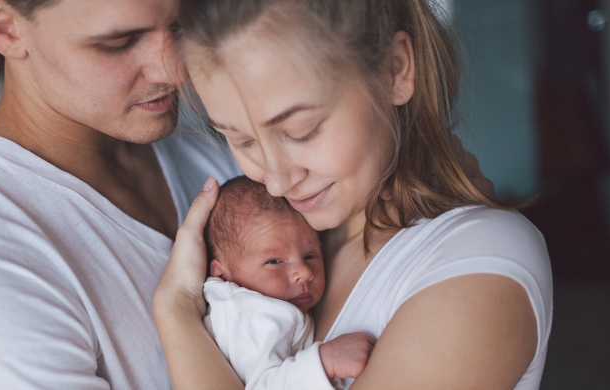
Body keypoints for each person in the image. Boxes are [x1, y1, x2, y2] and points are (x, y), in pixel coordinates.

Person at [153, 0, 553, 390]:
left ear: (395, 69)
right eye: (240, 140)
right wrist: (175, 304)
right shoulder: (284, 249)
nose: (276, 182)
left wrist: (176, 316)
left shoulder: (477, 261)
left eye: (301, 130)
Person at [0, 0, 244, 389]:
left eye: (179, 26)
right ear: (4, 26)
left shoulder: (218, 138)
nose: (175, 69)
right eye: (118, 42)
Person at [202, 176, 375, 390]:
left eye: (310, 255)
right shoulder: (246, 315)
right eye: (274, 261)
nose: (304, 272)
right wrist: (323, 362)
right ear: (222, 276)